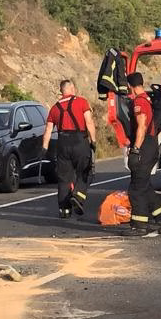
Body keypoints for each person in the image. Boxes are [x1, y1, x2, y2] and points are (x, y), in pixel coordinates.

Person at [126, 71, 161, 235]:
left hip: (145, 146)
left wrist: (135, 149)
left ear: (130, 87)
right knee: (144, 186)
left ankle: (140, 226)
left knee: (136, 188)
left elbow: (141, 127)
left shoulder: (139, 103)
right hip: (150, 145)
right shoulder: (147, 99)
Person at [45, 79, 96, 219]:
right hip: (79, 141)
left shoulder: (54, 108)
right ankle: (78, 197)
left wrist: (44, 148)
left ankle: (64, 210)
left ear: (62, 91)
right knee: (86, 172)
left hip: (62, 143)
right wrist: (93, 141)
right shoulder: (81, 102)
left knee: (64, 178)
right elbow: (89, 122)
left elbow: (48, 130)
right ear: (72, 89)